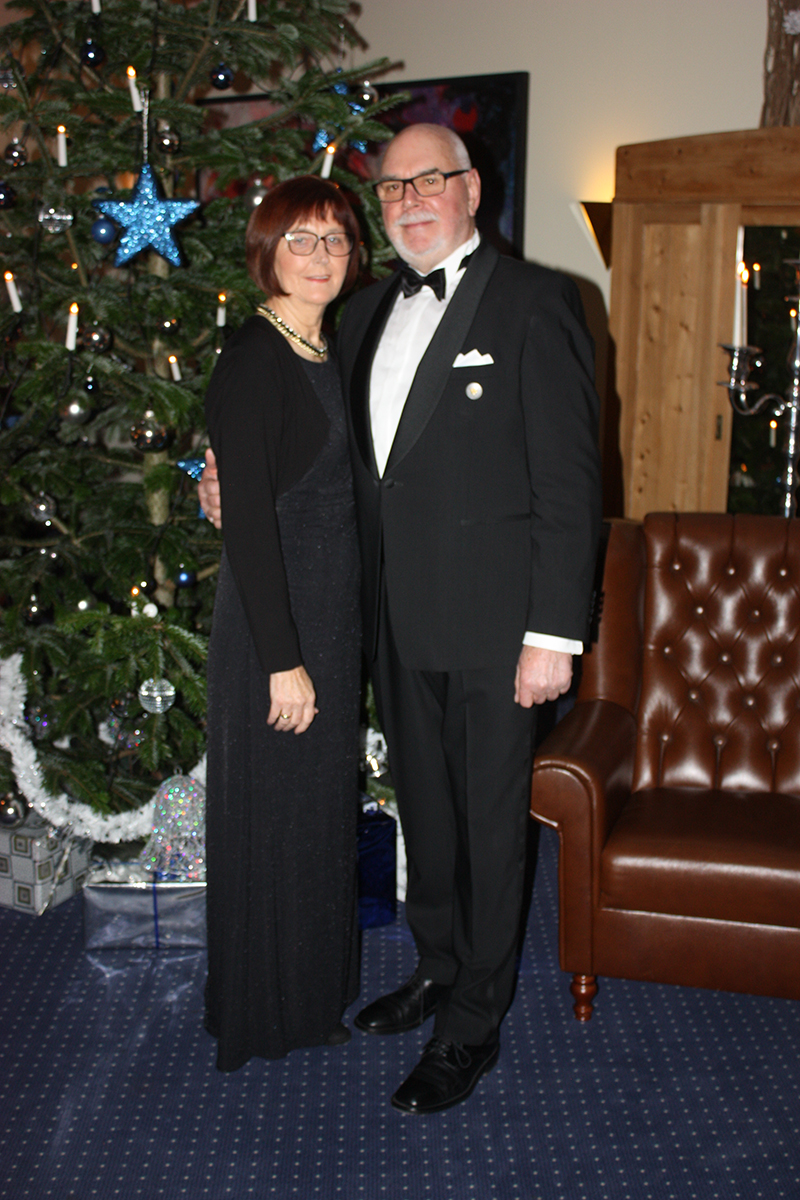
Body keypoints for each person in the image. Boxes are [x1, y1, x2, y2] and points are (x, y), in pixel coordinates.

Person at [201, 124, 602, 1110]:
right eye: (391, 188)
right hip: (384, 622)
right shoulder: (365, 311)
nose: (410, 200)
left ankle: (473, 1023)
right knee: (425, 811)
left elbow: (569, 483)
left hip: (498, 632)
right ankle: (435, 966)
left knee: (490, 829)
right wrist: (224, 488)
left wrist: (553, 636)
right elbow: (311, 451)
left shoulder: (539, 302)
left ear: (472, 191)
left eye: (431, 181)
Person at [202, 176, 363, 1071]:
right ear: (266, 252)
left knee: (314, 819)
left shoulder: (330, 345)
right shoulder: (254, 358)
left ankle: (309, 999)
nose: (319, 257)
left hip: (328, 620)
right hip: (278, 629)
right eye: (299, 240)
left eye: (334, 239)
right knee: (272, 821)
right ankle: (261, 1014)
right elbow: (251, 528)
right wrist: (282, 659)